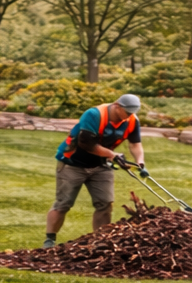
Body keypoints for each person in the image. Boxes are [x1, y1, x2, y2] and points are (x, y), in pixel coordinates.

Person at [42, 93, 147, 248]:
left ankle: (101, 242)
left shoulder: (131, 120)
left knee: (105, 203)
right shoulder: (94, 115)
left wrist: (140, 162)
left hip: (101, 165)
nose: (130, 115)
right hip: (72, 163)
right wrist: (112, 155)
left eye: (133, 112)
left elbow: (135, 144)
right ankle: (50, 240)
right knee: (64, 203)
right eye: (128, 112)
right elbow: (86, 144)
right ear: (117, 106)